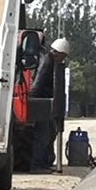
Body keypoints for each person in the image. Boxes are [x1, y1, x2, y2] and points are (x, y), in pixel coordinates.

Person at [30, 37, 69, 171]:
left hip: (46, 104)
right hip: (42, 105)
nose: (62, 60)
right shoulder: (47, 62)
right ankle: (37, 165)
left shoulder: (50, 61)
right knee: (42, 135)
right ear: (57, 53)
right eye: (62, 56)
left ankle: (44, 162)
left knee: (48, 134)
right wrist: (33, 103)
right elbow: (38, 83)